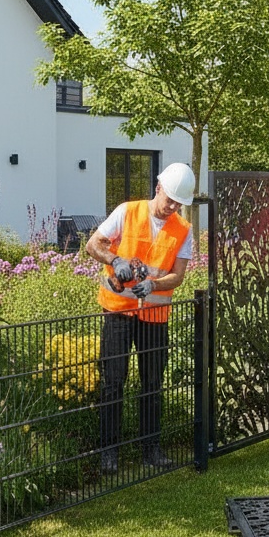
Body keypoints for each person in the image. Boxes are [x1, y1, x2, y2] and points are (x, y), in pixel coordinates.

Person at [85, 162, 195, 474]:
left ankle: (151, 448)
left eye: (178, 203)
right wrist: (114, 258)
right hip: (118, 313)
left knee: (152, 384)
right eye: (169, 199)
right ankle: (109, 451)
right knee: (113, 382)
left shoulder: (182, 229)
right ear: (158, 188)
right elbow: (93, 245)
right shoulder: (127, 211)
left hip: (155, 316)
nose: (172, 207)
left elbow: (178, 276)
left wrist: (154, 284)